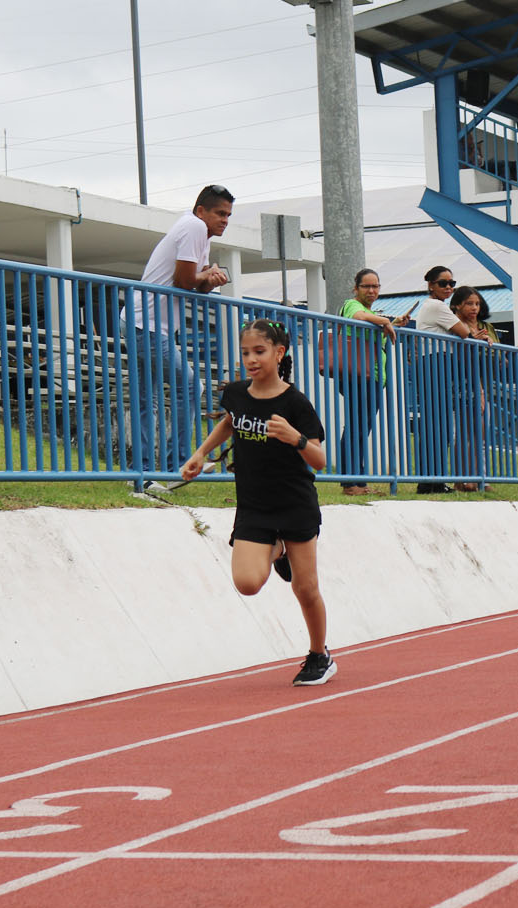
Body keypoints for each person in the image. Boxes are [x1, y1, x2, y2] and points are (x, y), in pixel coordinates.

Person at [181, 319, 335, 686]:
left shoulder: (296, 403)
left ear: (279, 353)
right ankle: (277, 551)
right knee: (248, 582)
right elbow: (231, 422)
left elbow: (320, 459)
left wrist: (295, 438)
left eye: (259, 352)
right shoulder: (236, 393)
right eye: (246, 352)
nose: (251, 359)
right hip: (254, 504)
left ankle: (319, 655)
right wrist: (202, 452)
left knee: (305, 588)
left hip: (294, 502)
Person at [130, 184, 233, 489]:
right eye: (219, 213)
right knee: (191, 386)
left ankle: (144, 473)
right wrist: (206, 274)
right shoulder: (193, 227)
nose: (225, 219)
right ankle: (178, 465)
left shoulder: (201, 235)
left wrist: (211, 280)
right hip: (145, 324)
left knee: (147, 398)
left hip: (146, 324)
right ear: (201, 211)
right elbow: (183, 280)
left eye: (228, 214)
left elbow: (195, 285)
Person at [335, 269, 407, 496]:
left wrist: (393, 323)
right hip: (358, 375)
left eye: (376, 286)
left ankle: (359, 478)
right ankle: (350, 482)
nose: (372, 290)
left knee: (361, 428)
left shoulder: (370, 311)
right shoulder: (352, 305)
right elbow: (357, 317)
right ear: (355, 288)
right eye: (366, 286)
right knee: (356, 427)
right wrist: (385, 321)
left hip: (371, 377)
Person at [412, 266, 476, 494]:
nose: (448, 287)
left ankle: (431, 480)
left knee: (436, 425)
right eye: (443, 283)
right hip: (434, 363)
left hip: (435, 363)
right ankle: (433, 481)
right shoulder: (436, 306)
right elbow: (464, 332)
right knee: (438, 425)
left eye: (451, 283)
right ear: (431, 285)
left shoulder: (434, 306)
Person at [449, 284, 500, 492]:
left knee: (480, 434)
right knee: (462, 435)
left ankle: (481, 477)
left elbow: (496, 354)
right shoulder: (455, 325)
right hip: (460, 384)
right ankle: (462, 479)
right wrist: (473, 342)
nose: (474, 308)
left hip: (481, 383)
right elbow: (457, 355)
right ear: (457, 305)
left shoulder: (486, 327)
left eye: (477, 304)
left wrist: (486, 345)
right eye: (469, 303)